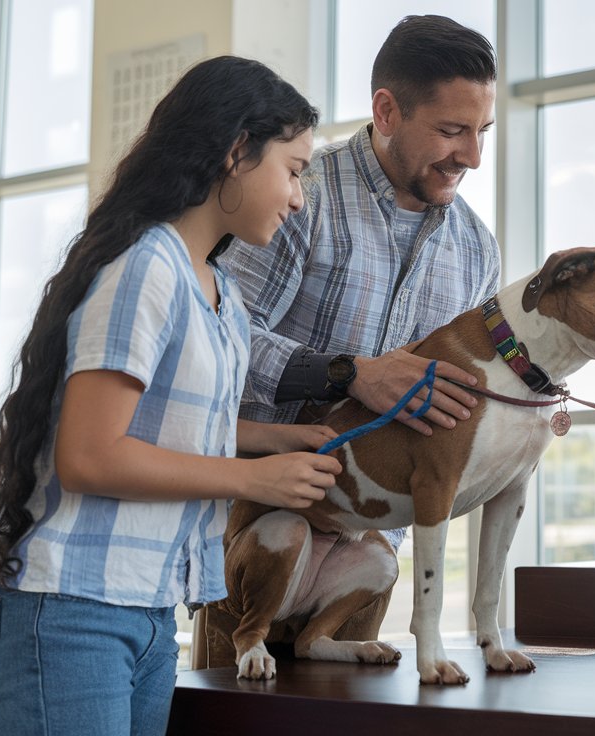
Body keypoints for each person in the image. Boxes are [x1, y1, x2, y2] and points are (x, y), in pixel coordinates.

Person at [0, 56, 343, 735]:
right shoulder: (145, 267)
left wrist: (279, 439)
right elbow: (91, 456)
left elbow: (174, 424)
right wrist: (257, 478)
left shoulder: (220, 292)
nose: (299, 197)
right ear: (236, 152)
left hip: (148, 611)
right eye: (294, 169)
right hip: (68, 615)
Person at [213, 14, 500, 638]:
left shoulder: (478, 249)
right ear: (387, 110)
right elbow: (220, 338)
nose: (472, 157)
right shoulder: (296, 196)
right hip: (257, 528)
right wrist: (350, 375)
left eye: (482, 132)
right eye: (452, 131)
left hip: (368, 557)